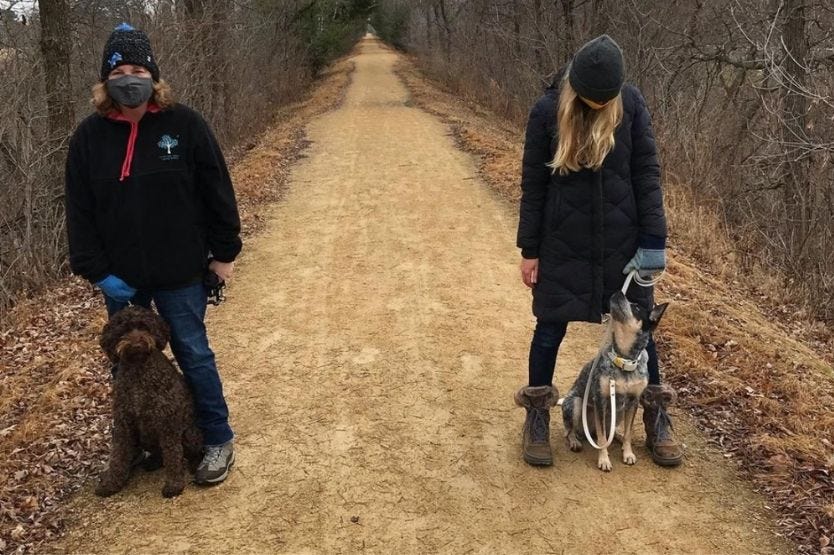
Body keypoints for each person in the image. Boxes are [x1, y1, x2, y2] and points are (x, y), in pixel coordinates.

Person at [64, 23, 241, 485]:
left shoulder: (185, 125)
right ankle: (143, 444)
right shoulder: (88, 138)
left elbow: (217, 190)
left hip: (182, 271)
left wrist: (223, 254)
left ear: (153, 76)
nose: (129, 78)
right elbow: (79, 211)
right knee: (127, 363)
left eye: (138, 68)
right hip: (122, 280)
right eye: (118, 70)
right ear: (105, 82)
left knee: (193, 354)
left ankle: (216, 439)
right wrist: (97, 272)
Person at [514, 34, 683, 467]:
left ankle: (656, 415)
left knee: (641, 336)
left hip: (623, 245)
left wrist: (653, 244)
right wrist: (530, 248)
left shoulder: (631, 104)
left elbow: (647, 174)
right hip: (562, 241)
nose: (597, 107)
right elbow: (533, 185)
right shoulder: (545, 111)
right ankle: (537, 416)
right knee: (549, 326)